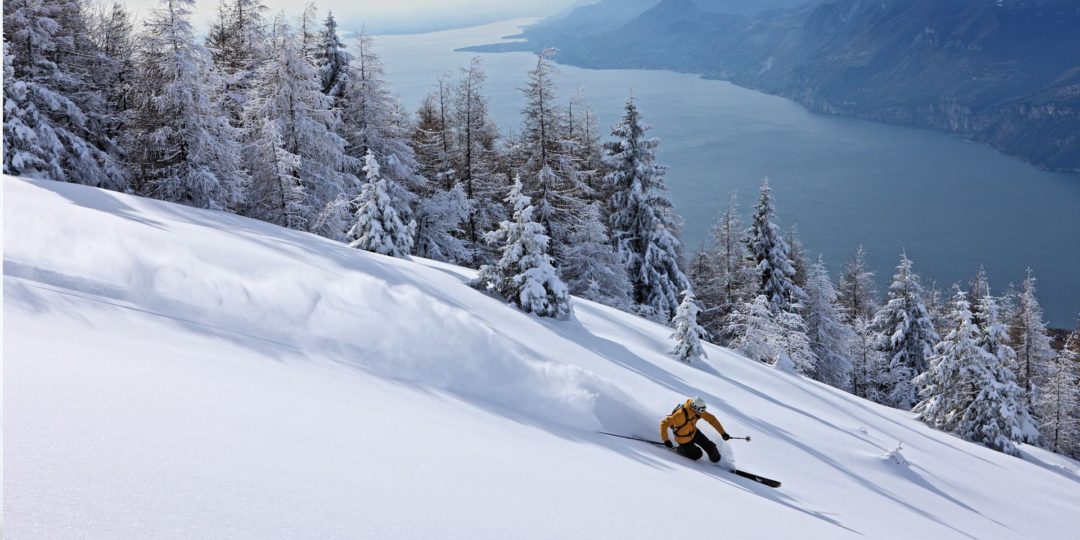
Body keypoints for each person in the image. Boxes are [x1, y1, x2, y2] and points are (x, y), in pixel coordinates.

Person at [660, 396, 731, 462]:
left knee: (711, 449)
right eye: (701, 410)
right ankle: (679, 449)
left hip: (694, 432)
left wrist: (723, 433)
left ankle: (718, 462)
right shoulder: (680, 415)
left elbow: (711, 419)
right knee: (697, 454)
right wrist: (666, 440)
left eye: (703, 409)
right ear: (694, 407)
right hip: (683, 439)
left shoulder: (698, 411)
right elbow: (664, 423)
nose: (702, 412)